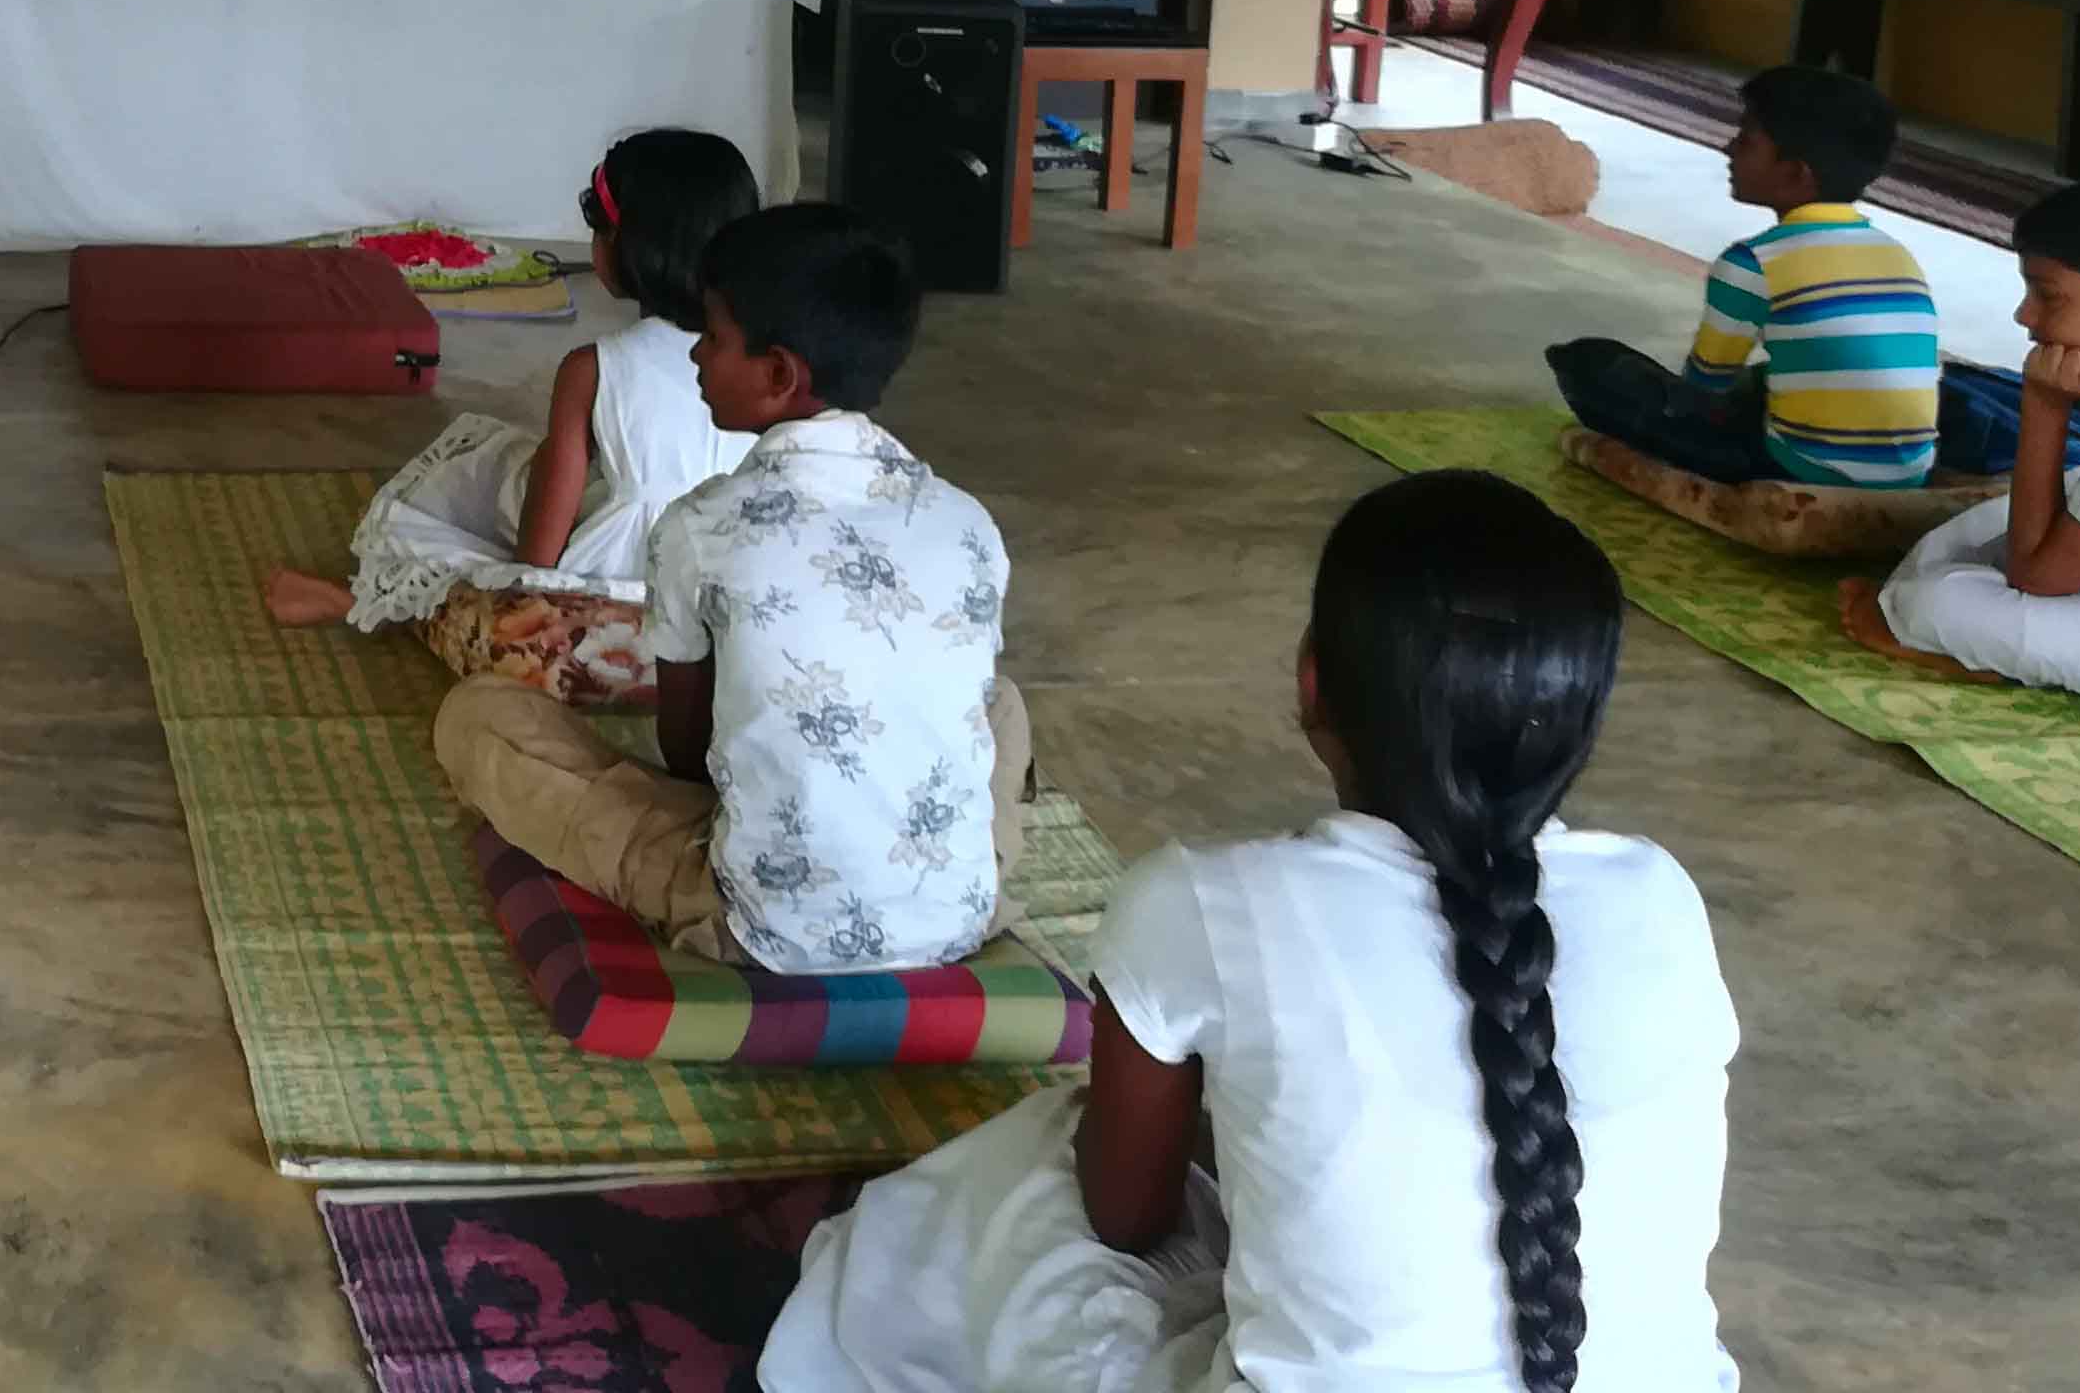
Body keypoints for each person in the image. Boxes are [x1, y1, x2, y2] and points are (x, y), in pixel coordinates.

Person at [761, 470, 1740, 1393]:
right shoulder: (1660, 894)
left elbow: (1126, 1216)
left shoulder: (1201, 901)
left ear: (1313, 683)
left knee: (1028, 1165)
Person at [432, 203, 1022, 973]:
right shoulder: (967, 523)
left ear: (779, 375)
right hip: (957, 915)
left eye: (712, 337)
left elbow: (689, 757)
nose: (697, 357)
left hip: (757, 925)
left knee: (480, 716)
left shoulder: (702, 526)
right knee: (999, 706)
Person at [260, 131, 762, 681]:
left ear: (626, 246)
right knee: (526, 468)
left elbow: (535, 571)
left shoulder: (594, 368)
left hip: (600, 632)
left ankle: (358, 605)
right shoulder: (769, 365)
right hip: (725, 636)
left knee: (470, 508)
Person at [1861, 174, 2080, 723]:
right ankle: (1976, 636)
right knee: (1992, 528)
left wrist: (2045, 408)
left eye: (2047, 295)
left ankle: (1973, 645)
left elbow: (2039, 580)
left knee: (1933, 604)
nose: (2023, 315)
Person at [1549, 63, 1939, 489]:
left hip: (1799, 468)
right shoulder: (1897, 255)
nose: (1728, 148)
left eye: (1746, 140)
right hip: (1910, 473)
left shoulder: (1753, 263)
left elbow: (1703, 388)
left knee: (1592, 365)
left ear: (1796, 173)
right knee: (1775, 374)